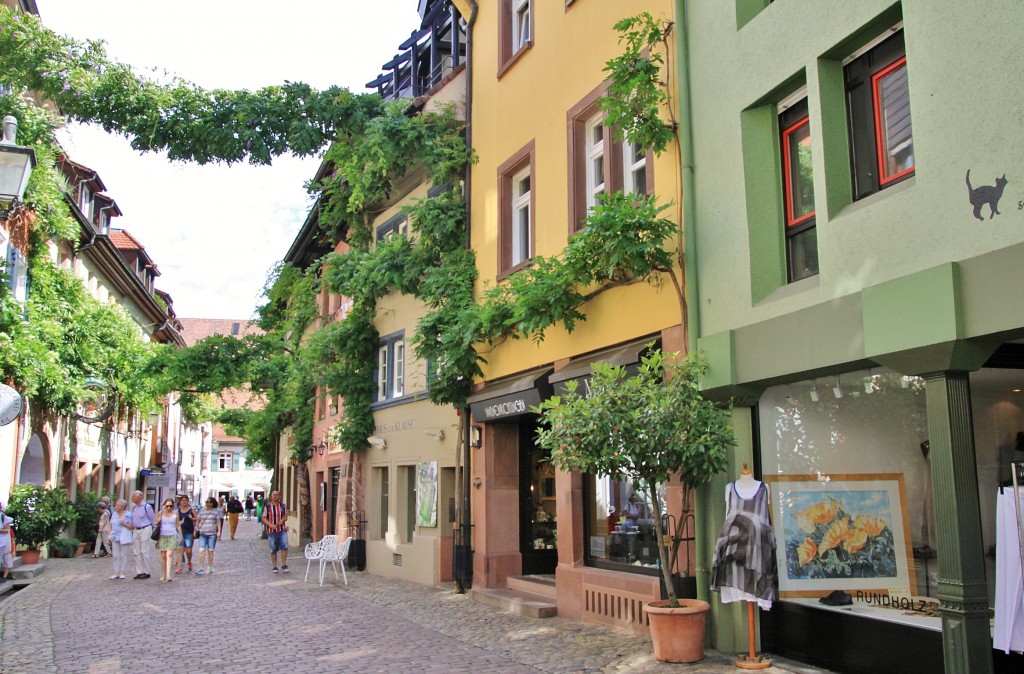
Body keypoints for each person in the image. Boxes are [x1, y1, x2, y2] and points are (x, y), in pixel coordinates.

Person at [124, 490, 156, 580]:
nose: (132, 499)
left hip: (145, 528)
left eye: (133, 497)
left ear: (139, 498)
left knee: (144, 551)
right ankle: (139, 571)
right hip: (136, 530)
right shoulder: (134, 507)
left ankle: (146, 571)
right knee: (136, 552)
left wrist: (153, 529)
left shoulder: (147, 507)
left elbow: (152, 519)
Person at [260, 490, 289, 573]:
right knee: (273, 549)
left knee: (284, 546)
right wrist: (270, 524)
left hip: (282, 530)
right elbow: (263, 517)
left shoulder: (283, 506)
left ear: (279, 496)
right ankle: (274, 566)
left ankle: (284, 564)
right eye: (274, 495)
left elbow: (286, 515)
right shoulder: (268, 507)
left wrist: (283, 520)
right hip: (271, 531)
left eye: (277, 495)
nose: (275, 496)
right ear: (271, 496)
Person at [154, 499, 182, 582]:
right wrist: (158, 522)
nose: (169, 507)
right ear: (164, 505)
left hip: (172, 535)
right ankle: (163, 574)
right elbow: (155, 523)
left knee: (169, 554)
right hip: (163, 535)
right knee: (163, 556)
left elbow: (177, 525)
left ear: (173, 505)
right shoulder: (160, 513)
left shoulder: (175, 513)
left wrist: (181, 536)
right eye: (167, 506)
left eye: (171, 506)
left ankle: (168, 575)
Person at [104, 499, 132, 580]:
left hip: (124, 537)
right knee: (116, 555)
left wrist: (124, 523)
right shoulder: (114, 514)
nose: (116, 507)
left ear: (123, 507)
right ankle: (116, 572)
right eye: (116, 505)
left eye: (118, 505)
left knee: (123, 555)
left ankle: (122, 572)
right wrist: (109, 537)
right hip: (115, 536)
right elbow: (110, 526)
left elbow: (132, 527)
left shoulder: (128, 515)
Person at [194, 497, 222, 575]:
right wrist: (195, 529)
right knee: (201, 551)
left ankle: (210, 567)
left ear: (212, 503)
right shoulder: (201, 511)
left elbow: (218, 522)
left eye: (209, 502)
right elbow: (198, 521)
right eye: (206, 502)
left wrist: (219, 531)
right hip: (202, 533)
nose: (207, 503)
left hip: (212, 534)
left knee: (210, 551)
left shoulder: (215, 512)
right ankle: (201, 567)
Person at [174, 495, 198, 574]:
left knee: (188, 550)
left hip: (189, 532)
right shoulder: (177, 511)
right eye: (183, 500)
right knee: (180, 550)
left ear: (188, 501)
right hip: (180, 532)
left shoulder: (191, 510)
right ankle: (179, 567)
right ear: (180, 502)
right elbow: (175, 522)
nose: (184, 502)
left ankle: (189, 561)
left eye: (185, 500)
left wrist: (192, 519)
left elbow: (197, 519)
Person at [0, 501, 13, 585]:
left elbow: (7, 529)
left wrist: (0, 530)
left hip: (4, 542)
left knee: (6, 559)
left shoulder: (3, 517)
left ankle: (4, 576)